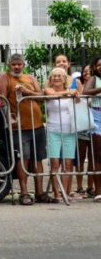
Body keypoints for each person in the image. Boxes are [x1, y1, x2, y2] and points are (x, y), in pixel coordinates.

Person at [0, 54, 48, 205]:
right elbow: (2, 100)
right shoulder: (4, 78)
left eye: (19, 64)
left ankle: (39, 192)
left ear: (24, 65)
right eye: (14, 64)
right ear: (9, 65)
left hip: (37, 125)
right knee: (23, 158)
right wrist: (9, 118)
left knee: (38, 159)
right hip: (19, 127)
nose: (17, 67)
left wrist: (28, 92)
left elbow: (41, 96)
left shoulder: (30, 78)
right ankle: (24, 193)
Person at [43, 67, 79, 203]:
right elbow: (51, 96)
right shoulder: (48, 90)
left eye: (59, 76)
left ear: (65, 79)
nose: (56, 78)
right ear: (51, 79)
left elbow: (78, 103)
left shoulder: (70, 92)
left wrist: (76, 95)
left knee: (68, 164)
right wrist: (68, 92)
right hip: (53, 131)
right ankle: (57, 194)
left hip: (69, 130)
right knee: (54, 163)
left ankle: (65, 193)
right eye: (54, 76)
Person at [84, 57, 101, 202]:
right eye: (99, 65)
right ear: (95, 67)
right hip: (97, 116)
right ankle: (98, 191)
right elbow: (86, 91)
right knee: (97, 155)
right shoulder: (94, 79)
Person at [76, 64, 95, 198]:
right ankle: (79, 186)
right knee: (81, 158)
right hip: (82, 126)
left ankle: (90, 186)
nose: (86, 74)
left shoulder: (96, 86)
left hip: (95, 126)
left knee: (93, 158)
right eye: (85, 72)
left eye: (89, 72)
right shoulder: (80, 86)